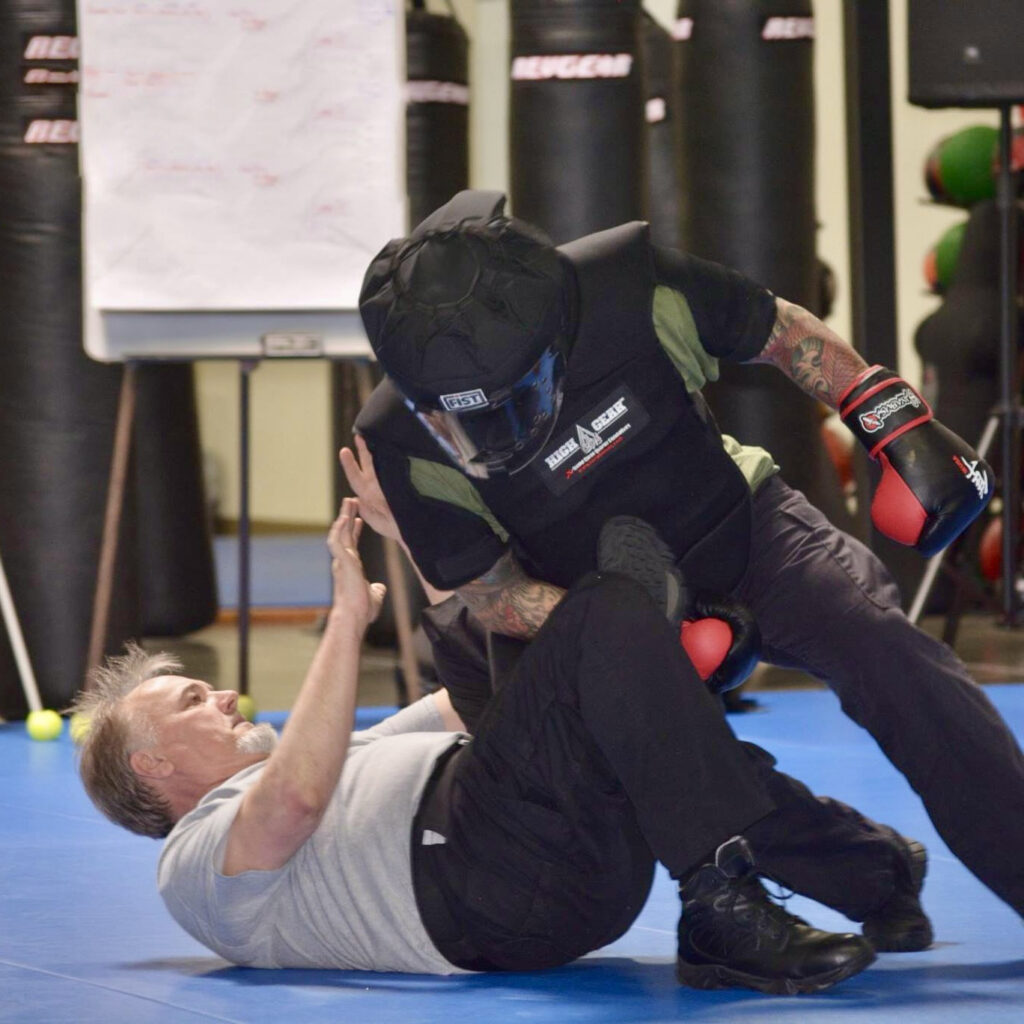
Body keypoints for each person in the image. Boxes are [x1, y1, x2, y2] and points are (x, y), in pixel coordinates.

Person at [352, 189, 1024, 920]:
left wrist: (883, 411)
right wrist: (643, 635)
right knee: (662, 778)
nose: (490, 429)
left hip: (742, 530)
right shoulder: (400, 439)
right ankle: (871, 868)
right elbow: (490, 592)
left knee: (885, 651)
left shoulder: (624, 288)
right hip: (587, 607)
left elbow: (774, 330)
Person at [71, 498, 878, 995]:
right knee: (598, 616)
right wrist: (348, 619)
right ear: (154, 766)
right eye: (191, 700)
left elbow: (465, 701)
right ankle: (647, 657)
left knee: (540, 655)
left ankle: (872, 869)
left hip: (540, 851)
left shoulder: (344, 762)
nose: (220, 693)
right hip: (487, 877)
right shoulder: (192, 862)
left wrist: (413, 539)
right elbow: (292, 801)